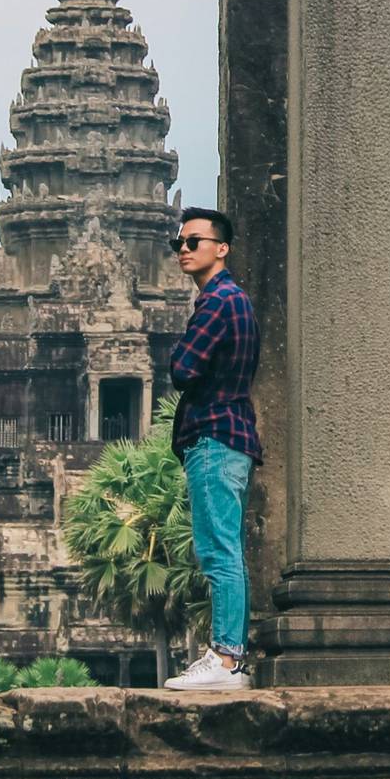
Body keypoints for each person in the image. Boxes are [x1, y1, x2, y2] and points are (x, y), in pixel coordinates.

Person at [162, 206, 262, 692]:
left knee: (218, 550)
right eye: (178, 243)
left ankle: (226, 659)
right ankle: (228, 656)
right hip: (230, 434)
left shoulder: (218, 302)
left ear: (220, 248)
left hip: (215, 436)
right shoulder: (233, 300)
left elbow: (182, 369)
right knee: (223, 548)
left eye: (193, 241)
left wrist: (179, 354)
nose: (184, 249)